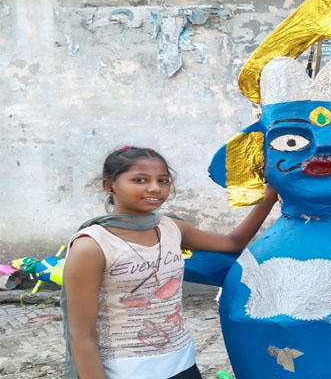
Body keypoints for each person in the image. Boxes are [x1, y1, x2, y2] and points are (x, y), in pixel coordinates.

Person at [61, 146, 278, 379]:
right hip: (125, 371)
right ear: (109, 185)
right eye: (140, 180)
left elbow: (232, 242)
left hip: (182, 363)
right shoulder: (93, 245)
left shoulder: (171, 228)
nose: (155, 188)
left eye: (163, 180)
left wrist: (269, 196)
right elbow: (81, 335)